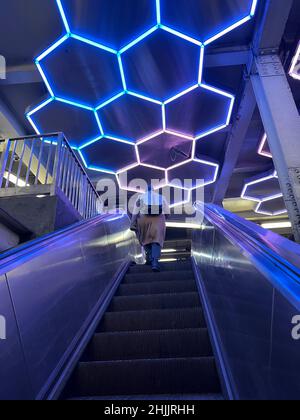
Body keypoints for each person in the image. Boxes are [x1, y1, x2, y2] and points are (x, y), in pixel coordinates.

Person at [131, 185, 169, 272]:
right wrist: (166, 217)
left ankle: (149, 257)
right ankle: (155, 262)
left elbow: (135, 211)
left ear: (145, 190)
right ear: (153, 190)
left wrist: (133, 223)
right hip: (158, 220)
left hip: (143, 220)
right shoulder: (161, 197)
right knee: (156, 241)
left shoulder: (140, 197)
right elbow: (167, 211)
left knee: (145, 240)